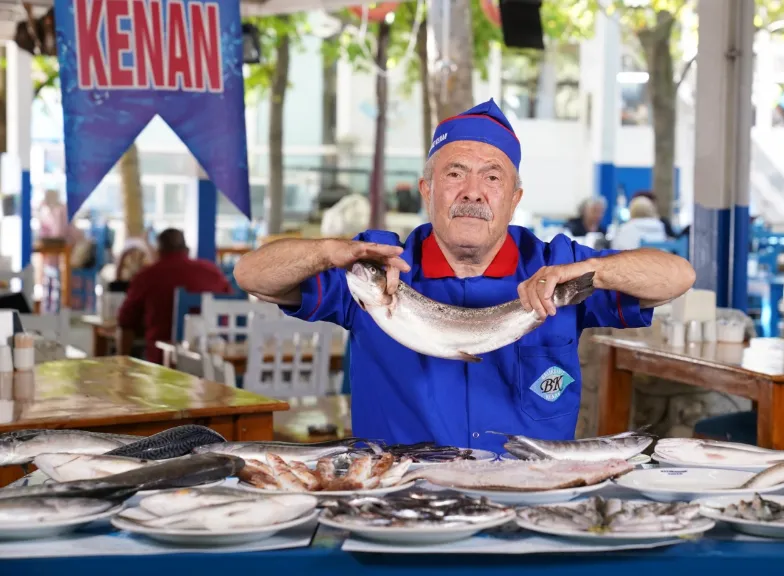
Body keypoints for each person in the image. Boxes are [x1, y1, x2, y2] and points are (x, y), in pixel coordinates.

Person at [235, 99, 695, 453]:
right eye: (455, 173)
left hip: (529, 499)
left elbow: (678, 277)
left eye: (492, 178)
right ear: (427, 189)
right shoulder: (375, 268)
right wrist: (328, 251)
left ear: (514, 199)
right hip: (402, 501)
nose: (473, 192)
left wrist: (595, 271)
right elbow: (251, 275)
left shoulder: (557, 265)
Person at [117, 229, 231, 364]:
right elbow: (231, 306)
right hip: (216, 359)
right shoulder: (213, 272)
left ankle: (121, 367)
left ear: (159, 251)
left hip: (162, 361)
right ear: (187, 250)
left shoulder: (147, 276)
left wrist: (122, 362)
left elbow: (125, 320)